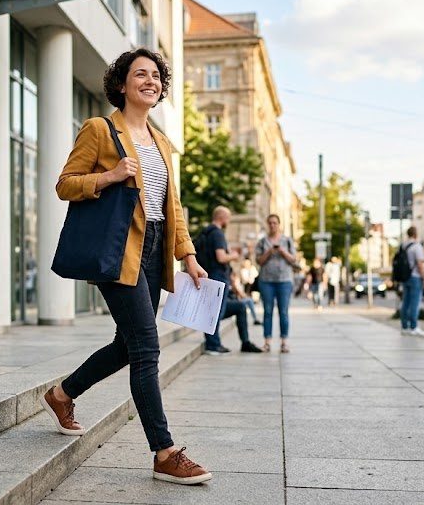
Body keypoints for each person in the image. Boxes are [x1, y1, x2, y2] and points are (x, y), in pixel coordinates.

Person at [41, 48, 211, 485]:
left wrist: (188, 256)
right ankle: (164, 451)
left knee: (128, 344)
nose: (150, 81)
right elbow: (64, 185)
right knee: (147, 347)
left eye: (156, 75)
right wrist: (110, 176)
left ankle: (62, 394)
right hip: (119, 248)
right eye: (141, 74)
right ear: (121, 84)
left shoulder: (161, 141)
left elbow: (170, 205)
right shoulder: (99, 130)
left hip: (154, 249)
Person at [195, 206, 243, 355]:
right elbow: (221, 257)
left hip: (208, 274)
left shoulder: (206, 232)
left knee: (210, 310)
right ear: (222, 217)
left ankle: (213, 342)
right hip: (218, 276)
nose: (228, 221)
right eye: (228, 218)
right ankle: (213, 344)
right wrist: (234, 256)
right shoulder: (218, 234)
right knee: (216, 311)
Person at [254, 214, 297, 353]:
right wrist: (269, 252)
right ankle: (267, 342)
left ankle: (284, 342)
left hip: (284, 281)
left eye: (275, 223)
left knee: (283, 312)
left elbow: (293, 260)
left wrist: (282, 251)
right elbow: (259, 261)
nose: (272, 225)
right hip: (266, 281)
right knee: (267, 312)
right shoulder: (262, 242)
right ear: (267, 225)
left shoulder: (287, 241)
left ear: (279, 224)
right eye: (270, 223)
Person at [222, 270, 263, 353]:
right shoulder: (220, 269)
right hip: (219, 302)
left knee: (242, 306)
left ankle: (245, 342)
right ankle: (213, 343)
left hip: (229, 299)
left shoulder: (228, 272)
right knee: (243, 305)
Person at [399, 226, 424, 337]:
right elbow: (420, 264)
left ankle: (404, 327)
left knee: (405, 302)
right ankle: (414, 327)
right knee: (415, 303)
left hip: (405, 277)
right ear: (415, 234)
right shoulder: (417, 246)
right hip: (415, 277)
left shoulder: (403, 246)